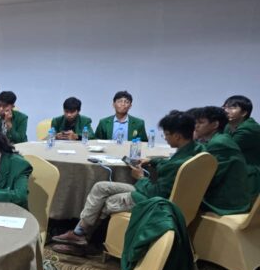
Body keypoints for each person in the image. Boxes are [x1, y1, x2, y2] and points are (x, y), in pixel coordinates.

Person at [52, 110, 203, 253]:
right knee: (100, 187)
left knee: (107, 202)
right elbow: (169, 161)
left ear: (177, 136)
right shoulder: (195, 150)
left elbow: (155, 192)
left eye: (166, 134)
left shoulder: (177, 164)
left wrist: (140, 177)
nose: (165, 138)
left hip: (154, 200)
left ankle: (84, 240)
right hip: (157, 194)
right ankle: (80, 234)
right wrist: (152, 160)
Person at [189, 106, 252, 215]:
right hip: (227, 198)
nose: (196, 126)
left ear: (215, 125)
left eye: (200, 122)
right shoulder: (218, 139)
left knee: (171, 197)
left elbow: (206, 178)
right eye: (195, 122)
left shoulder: (219, 143)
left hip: (225, 203)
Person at [223, 95, 260, 168]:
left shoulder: (249, 128)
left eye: (231, 108)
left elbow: (225, 149)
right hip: (236, 167)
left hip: (250, 171)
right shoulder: (227, 125)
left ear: (244, 113)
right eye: (224, 107)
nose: (226, 111)